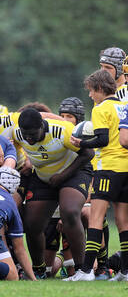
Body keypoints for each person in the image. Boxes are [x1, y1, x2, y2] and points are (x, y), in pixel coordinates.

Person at [14, 108, 94, 279]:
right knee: (32, 223)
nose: (28, 138)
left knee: (70, 212)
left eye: (33, 134)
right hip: (44, 177)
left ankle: (83, 270)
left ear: (42, 127)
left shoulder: (62, 131)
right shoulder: (18, 132)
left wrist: (63, 176)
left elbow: (88, 153)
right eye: (25, 134)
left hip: (73, 172)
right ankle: (38, 270)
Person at [65, 69, 128, 281]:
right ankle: (126, 272)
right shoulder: (124, 106)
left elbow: (102, 139)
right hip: (126, 168)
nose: (91, 96)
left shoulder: (101, 109)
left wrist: (81, 143)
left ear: (100, 89)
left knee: (96, 218)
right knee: (123, 220)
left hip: (108, 167)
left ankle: (85, 272)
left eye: (92, 91)